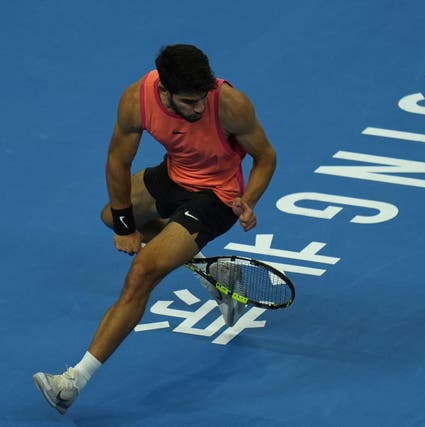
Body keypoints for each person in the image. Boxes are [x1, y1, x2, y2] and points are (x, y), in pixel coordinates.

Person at [32, 44, 277, 415]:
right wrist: (126, 227)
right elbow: (118, 159)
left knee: (141, 273)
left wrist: (250, 200)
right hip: (173, 176)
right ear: (165, 91)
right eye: (190, 101)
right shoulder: (137, 99)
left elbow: (266, 156)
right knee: (112, 216)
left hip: (218, 195)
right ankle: (216, 273)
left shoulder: (230, 104)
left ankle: (72, 382)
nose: (199, 108)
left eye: (202, 99)